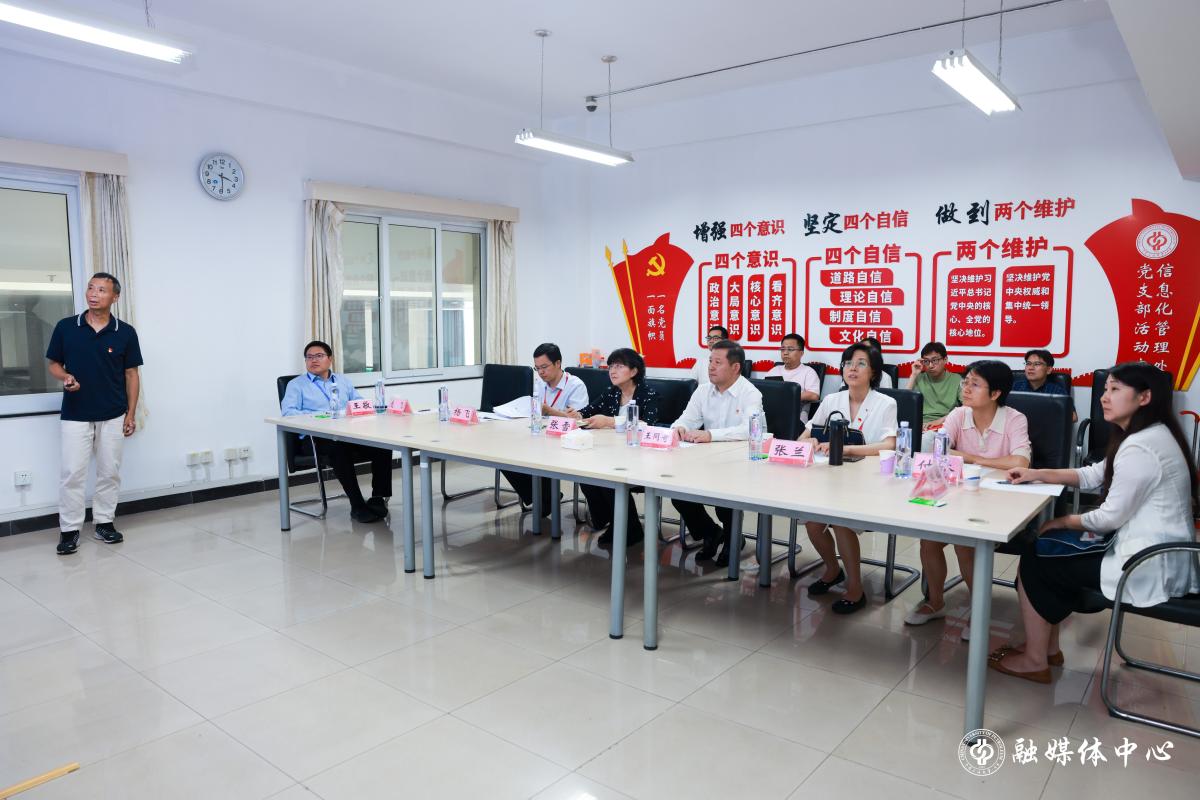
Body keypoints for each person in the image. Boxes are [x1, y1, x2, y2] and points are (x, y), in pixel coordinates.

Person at [989, 362, 1200, 684]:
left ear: (1144, 397)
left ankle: (1035, 660)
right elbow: (1092, 475)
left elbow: (1108, 517)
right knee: (1045, 550)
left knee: (1036, 557)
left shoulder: (1141, 446)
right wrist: (1036, 473)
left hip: (1146, 562)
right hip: (1152, 551)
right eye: (1105, 389)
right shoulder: (1148, 434)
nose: (1104, 397)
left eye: (1115, 389)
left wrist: (1062, 521)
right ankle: (1047, 650)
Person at [906, 361, 1030, 639]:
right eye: (965, 382)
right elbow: (940, 452)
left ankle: (979, 608)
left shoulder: (1014, 419)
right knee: (928, 540)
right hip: (959, 496)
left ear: (995, 393)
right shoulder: (958, 414)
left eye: (975, 384)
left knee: (965, 542)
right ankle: (935, 601)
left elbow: (1020, 462)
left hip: (999, 501)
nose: (966, 388)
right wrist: (976, 460)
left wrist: (971, 457)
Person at [47, 272, 143, 555]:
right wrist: (65, 377)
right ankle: (69, 530)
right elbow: (53, 364)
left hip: (113, 413)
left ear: (115, 297)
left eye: (101, 290)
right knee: (72, 473)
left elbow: (131, 374)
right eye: (91, 288)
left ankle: (104, 523)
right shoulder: (66, 327)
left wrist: (131, 414)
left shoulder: (125, 332)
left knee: (109, 472)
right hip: (75, 413)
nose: (93, 294)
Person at [799, 342, 898, 613]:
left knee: (841, 522)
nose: (852, 368)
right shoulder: (832, 400)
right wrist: (807, 441)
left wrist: (847, 449)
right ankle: (833, 570)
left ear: (874, 372)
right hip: (832, 479)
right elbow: (808, 432)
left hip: (871, 483)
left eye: (861, 363)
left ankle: (856, 588)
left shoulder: (886, 403)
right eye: (848, 363)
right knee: (812, 522)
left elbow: (890, 445)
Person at [671, 339, 763, 566]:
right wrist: (679, 428)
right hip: (708, 459)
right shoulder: (703, 390)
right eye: (710, 361)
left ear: (735, 367)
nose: (710, 367)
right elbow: (686, 418)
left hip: (741, 461)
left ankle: (733, 539)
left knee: (725, 498)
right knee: (678, 492)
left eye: (718, 362)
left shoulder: (750, 393)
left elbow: (750, 430)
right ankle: (711, 532)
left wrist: (711, 435)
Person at [281, 341, 392, 523]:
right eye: (309, 357)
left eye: (319, 356)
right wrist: (320, 416)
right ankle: (357, 505)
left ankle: (378, 498)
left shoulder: (343, 381)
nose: (313, 360)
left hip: (346, 434)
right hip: (314, 439)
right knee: (338, 448)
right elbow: (288, 413)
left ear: (330, 359)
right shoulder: (296, 385)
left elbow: (358, 403)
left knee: (383, 444)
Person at [568, 348, 659, 547]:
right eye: (610, 366)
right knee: (586, 475)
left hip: (640, 457)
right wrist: (577, 415)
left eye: (618, 366)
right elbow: (589, 411)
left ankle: (630, 529)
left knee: (609, 478)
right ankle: (612, 522)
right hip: (613, 452)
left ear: (633, 371)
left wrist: (609, 421)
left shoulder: (649, 394)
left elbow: (647, 425)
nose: (612, 371)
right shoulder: (611, 392)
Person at [502, 343, 588, 517]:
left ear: (558, 363)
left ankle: (546, 498)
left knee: (539, 454)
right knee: (506, 456)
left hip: (566, 441)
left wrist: (549, 411)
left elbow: (579, 422)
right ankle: (542, 496)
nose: (541, 372)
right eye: (537, 368)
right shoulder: (539, 384)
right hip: (542, 436)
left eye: (544, 367)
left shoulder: (575, 385)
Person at [763, 333, 821, 422]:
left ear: (801, 353)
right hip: (772, 413)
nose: (785, 353)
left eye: (790, 349)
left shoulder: (808, 372)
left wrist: (787, 396)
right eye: (783, 349)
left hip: (796, 416)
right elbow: (762, 390)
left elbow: (814, 395)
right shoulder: (774, 370)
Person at [907, 341, 961, 429]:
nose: (931, 365)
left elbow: (967, 407)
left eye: (935, 360)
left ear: (945, 359)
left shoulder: (956, 379)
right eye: (926, 361)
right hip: (921, 424)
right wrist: (913, 375)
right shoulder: (918, 378)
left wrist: (939, 421)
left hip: (947, 423)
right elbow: (904, 403)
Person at [1013, 348, 1076, 420]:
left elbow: (1073, 417)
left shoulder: (1057, 391)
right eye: (1028, 363)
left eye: (1037, 364)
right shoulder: (1015, 387)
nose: (1031, 368)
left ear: (1048, 370)